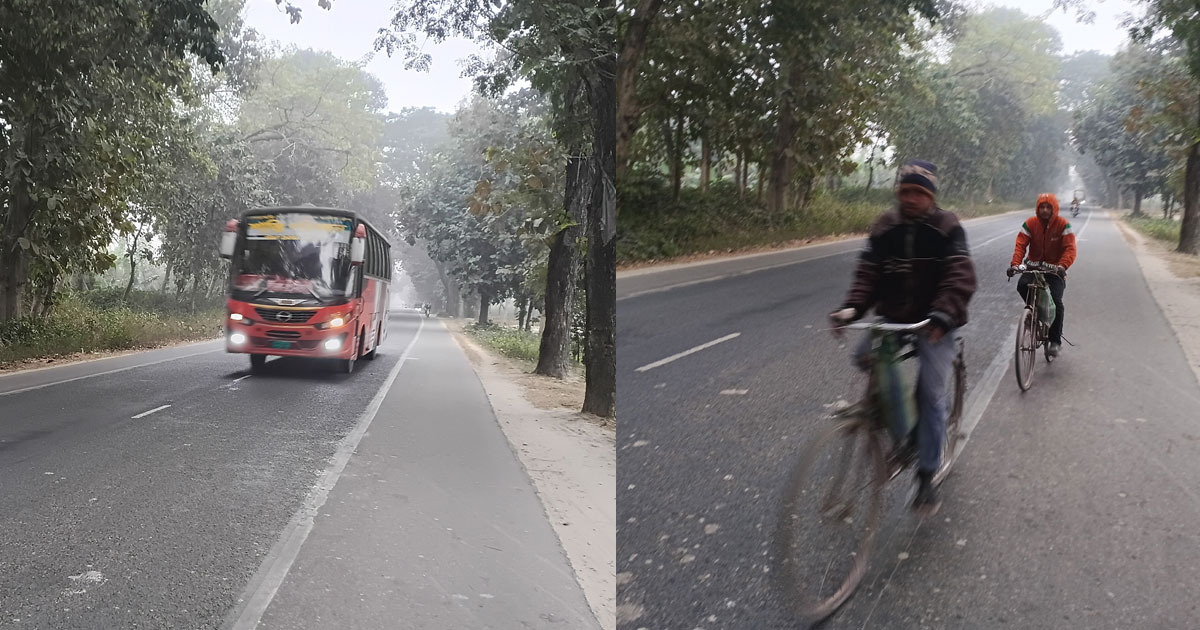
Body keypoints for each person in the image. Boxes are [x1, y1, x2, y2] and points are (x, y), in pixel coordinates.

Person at [829, 160, 977, 515]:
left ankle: (926, 474)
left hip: (935, 320)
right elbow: (867, 275)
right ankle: (900, 427)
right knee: (864, 357)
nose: (910, 198)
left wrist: (942, 315)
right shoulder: (884, 227)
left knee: (931, 392)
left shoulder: (948, 227)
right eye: (904, 191)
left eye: (918, 193)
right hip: (894, 318)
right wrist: (850, 309)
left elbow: (959, 276)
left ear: (931, 196)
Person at [1007, 193, 1076, 357]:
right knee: (1021, 286)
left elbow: (1070, 249)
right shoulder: (1030, 224)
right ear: (1037, 209)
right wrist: (1015, 265)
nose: (1045, 210)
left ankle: (1055, 341)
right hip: (1033, 267)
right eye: (1041, 207)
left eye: (1048, 207)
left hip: (1054, 272)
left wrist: (1062, 266)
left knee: (1057, 302)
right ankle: (1035, 313)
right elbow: (1020, 245)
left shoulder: (1063, 225)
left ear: (1054, 209)